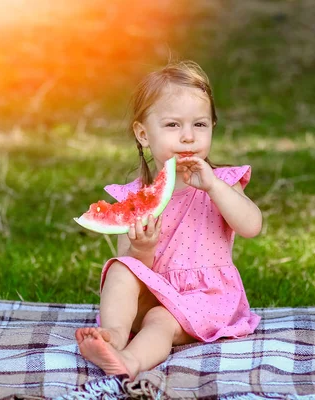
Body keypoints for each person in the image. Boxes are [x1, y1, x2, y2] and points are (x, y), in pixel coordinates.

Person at [75, 60, 263, 380]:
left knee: (160, 320)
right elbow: (132, 264)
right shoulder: (135, 196)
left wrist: (215, 187)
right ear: (143, 134)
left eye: (200, 125)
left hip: (207, 299)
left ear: (213, 127)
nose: (188, 137)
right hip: (152, 293)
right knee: (120, 267)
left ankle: (130, 362)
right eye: (173, 125)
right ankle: (114, 336)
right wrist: (142, 248)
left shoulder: (223, 182)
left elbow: (252, 226)